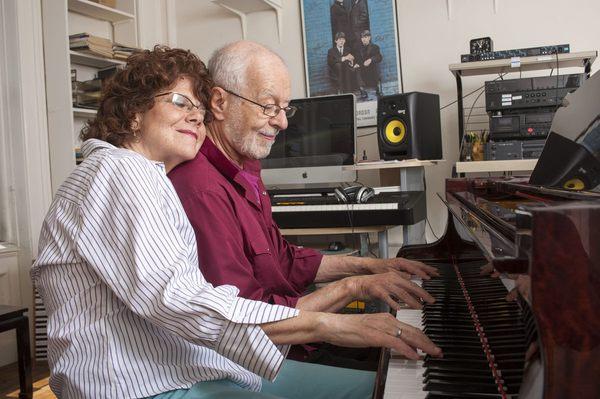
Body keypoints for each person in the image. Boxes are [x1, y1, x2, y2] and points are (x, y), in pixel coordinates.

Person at [32, 46, 441, 399]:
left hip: (183, 367)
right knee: (386, 387)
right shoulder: (125, 173)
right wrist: (337, 325)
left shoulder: (122, 171)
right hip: (144, 386)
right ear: (134, 112)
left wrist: (360, 279)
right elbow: (181, 302)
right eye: (180, 102)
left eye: (198, 106)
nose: (196, 117)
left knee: (378, 383)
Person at [327, 32, 366, 96]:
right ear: (335, 41)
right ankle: (341, 90)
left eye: (343, 39)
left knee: (357, 67)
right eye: (339, 39)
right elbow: (330, 62)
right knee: (339, 65)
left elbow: (352, 58)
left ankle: (361, 89)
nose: (341, 41)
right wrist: (343, 58)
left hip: (347, 69)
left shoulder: (348, 49)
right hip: (336, 71)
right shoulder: (331, 51)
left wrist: (353, 63)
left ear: (345, 41)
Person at [357, 30, 382, 95]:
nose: (364, 39)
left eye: (365, 37)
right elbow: (356, 59)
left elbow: (379, 57)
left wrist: (370, 60)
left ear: (369, 38)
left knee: (375, 65)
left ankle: (378, 87)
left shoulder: (375, 47)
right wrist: (357, 64)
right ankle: (362, 90)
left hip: (371, 69)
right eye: (362, 38)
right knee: (356, 68)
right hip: (363, 69)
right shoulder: (358, 48)